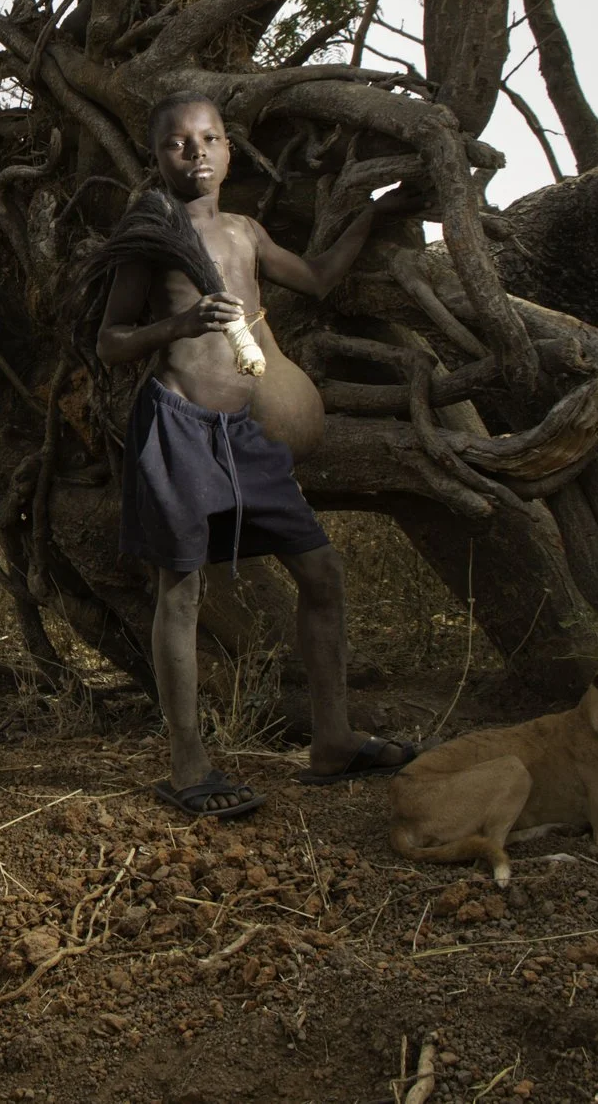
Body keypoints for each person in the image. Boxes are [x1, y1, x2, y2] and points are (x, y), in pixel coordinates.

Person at [93, 92, 417, 819]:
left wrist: (377, 212)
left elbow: (323, 276)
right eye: (178, 142)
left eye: (209, 138)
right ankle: (188, 769)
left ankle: (333, 739)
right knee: (180, 592)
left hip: (249, 434)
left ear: (230, 152)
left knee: (322, 570)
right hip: (178, 424)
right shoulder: (151, 234)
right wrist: (174, 323)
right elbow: (110, 340)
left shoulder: (245, 231)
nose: (196, 151)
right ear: (158, 157)